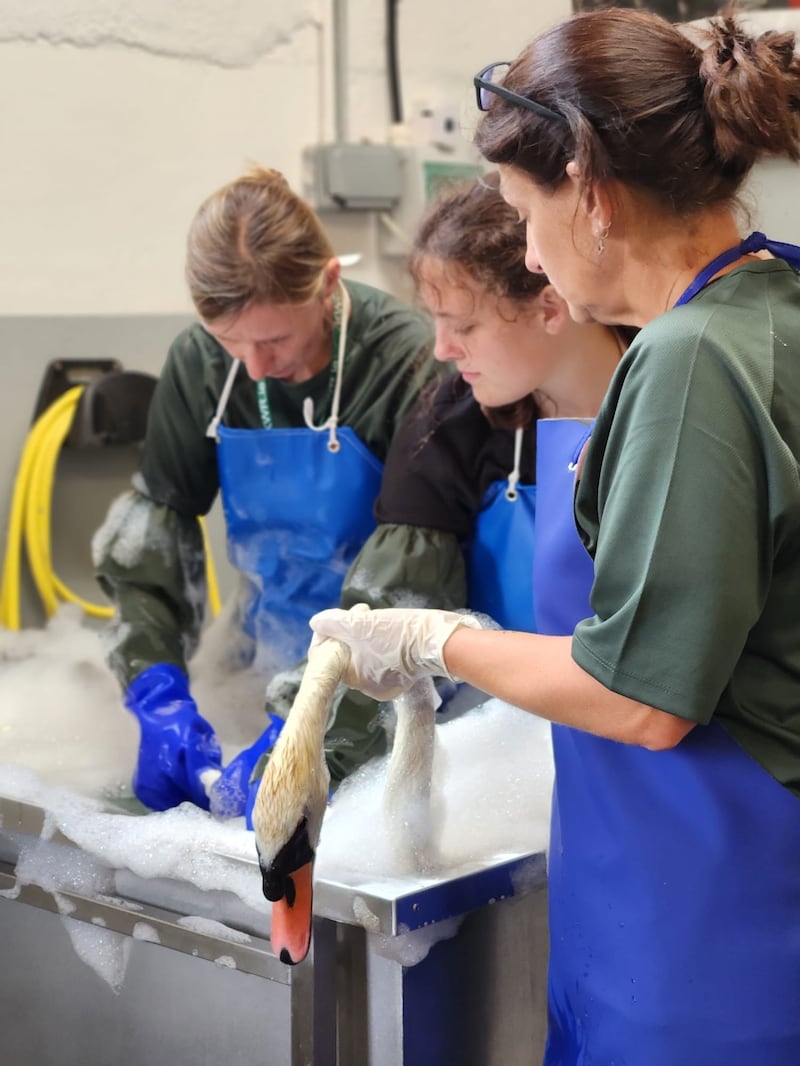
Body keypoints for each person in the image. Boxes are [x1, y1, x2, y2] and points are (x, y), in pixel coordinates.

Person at [309, 9, 800, 1066]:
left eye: (525, 213)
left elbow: (644, 697)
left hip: (704, 944)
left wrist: (431, 642)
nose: (527, 250)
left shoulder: (690, 359)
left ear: (588, 188)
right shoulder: (779, 297)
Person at [226, 171, 627, 822]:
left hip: (658, 762)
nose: (441, 349)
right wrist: (304, 748)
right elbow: (393, 596)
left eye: (461, 324)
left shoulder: (670, 412)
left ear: (550, 305)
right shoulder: (454, 421)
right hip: (516, 769)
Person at [92, 165, 439, 814]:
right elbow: (150, 547)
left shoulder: (403, 362)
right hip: (257, 668)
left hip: (388, 697)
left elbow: (416, 582)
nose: (255, 366)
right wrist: (155, 689)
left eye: (277, 339)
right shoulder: (198, 363)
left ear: (328, 283)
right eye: (231, 343)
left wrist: (310, 720)